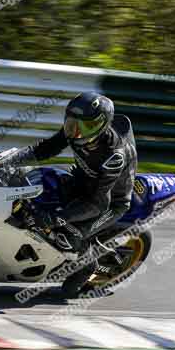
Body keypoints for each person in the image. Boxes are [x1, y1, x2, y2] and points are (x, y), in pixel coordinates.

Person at [28, 91, 138, 255]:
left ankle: (86, 263)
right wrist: (10, 159)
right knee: (39, 188)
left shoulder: (114, 156)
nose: (75, 130)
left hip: (109, 203)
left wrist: (59, 217)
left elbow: (98, 203)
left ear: (100, 126)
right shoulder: (76, 131)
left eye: (84, 126)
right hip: (83, 181)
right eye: (71, 123)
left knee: (68, 237)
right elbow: (46, 148)